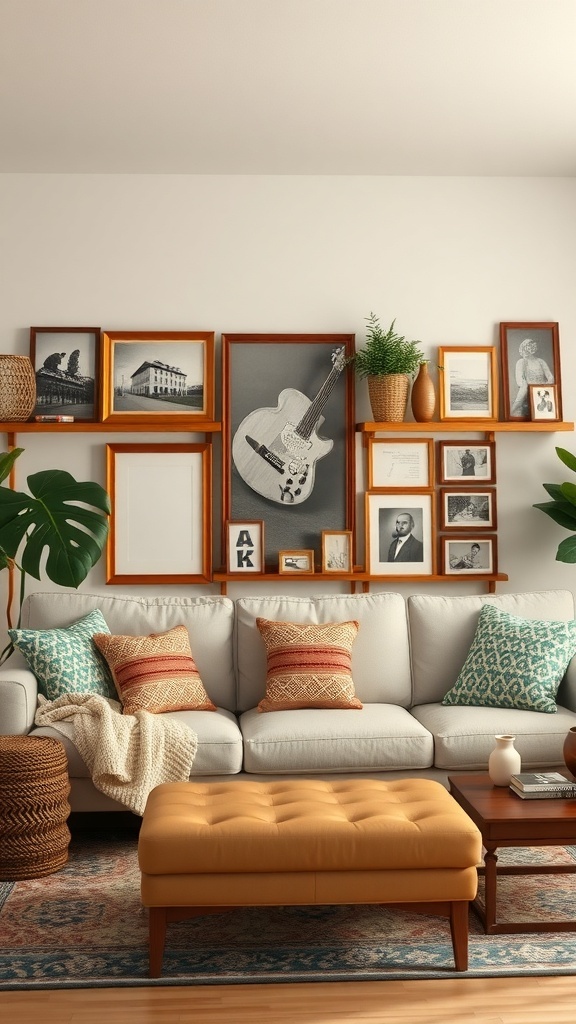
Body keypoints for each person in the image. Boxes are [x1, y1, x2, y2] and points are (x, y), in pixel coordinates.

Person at [510, 337, 553, 417]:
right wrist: (529, 387)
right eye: (523, 350)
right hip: (527, 388)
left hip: (542, 389)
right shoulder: (521, 362)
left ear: (532, 350)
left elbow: (550, 377)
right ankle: (511, 414)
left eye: (527, 349)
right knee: (522, 394)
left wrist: (545, 386)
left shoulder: (540, 362)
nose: (524, 352)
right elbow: (519, 381)